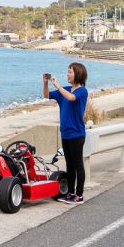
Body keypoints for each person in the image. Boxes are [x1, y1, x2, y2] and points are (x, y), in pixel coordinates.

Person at [44, 62, 88, 205]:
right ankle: (70, 193)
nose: (67, 74)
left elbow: (71, 98)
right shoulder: (66, 90)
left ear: (78, 74)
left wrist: (57, 85)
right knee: (69, 165)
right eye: (68, 71)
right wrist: (45, 83)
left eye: (70, 72)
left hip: (77, 134)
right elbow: (46, 96)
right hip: (65, 133)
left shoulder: (82, 91)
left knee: (78, 164)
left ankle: (79, 195)